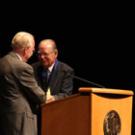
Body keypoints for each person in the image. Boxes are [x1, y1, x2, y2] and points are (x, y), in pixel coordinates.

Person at [0, 31, 46, 135]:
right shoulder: (23, 67)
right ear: (26, 50)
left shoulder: (2, 62)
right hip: (21, 121)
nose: (34, 50)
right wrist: (49, 97)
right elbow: (39, 97)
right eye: (33, 48)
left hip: (5, 118)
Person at [32, 39, 74, 103]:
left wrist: (54, 98)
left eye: (45, 54)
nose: (42, 57)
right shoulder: (32, 68)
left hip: (55, 109)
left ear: (55, 53)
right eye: (39, 54)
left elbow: (66, 94)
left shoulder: (66, 70)